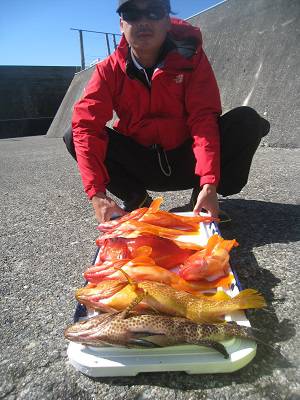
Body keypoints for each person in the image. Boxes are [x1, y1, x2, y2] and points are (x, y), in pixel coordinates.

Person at [64, 0, 270, 223]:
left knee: (248, 121)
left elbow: (203, 119)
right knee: (74, 135)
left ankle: (201, 199)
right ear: (121, 23)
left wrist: (209, 181)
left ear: (167, 22)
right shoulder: (108, 71)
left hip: (187, 159)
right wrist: (97, 195)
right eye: (132, 13)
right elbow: (86, 127)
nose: (143, 21)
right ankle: (138, 201)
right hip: (142, 164)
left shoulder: (191, 58)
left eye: (154, 12)